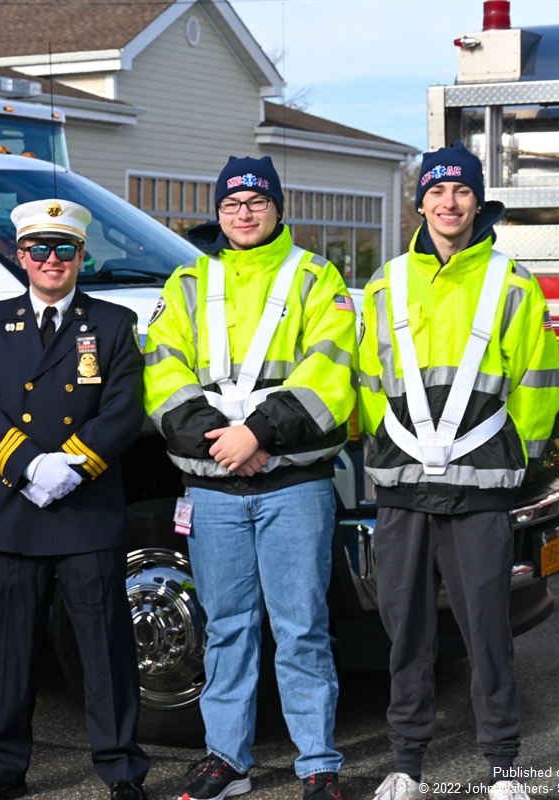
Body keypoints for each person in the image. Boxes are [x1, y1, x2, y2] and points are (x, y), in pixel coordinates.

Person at [142, 157, 357, 800]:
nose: (244, 213)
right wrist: (230, 445)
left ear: (277, 207)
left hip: (294, 486)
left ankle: (318, 764)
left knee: (302, 627)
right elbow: (162, 372)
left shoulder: (317, 279)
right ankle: (226, 761)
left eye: (256, 202)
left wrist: (258, 435)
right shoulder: (185, 283)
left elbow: (331, 370)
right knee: (227, 625)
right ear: (219, 211)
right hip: (214, 490)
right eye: (232, 204)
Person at [359, 143, 559, 800]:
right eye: (438, 192)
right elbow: (368, 383)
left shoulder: (514, 283)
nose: (449, 203)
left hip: (480, 493)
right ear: (420, 202)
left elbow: (537, 386)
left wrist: (512, 460)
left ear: (479, 202)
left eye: (463, 192)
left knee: (488, 632)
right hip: (405, 490)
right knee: (405, 633)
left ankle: (503, 769)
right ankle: (406, 766)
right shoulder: (385, 285)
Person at [0, 199, 149, 800]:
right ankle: (2, 768)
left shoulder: (113, 324)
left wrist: (75, 464)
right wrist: (29, 464)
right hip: (17, 507)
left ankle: (121, 771)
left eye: (65, 249)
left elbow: (124, 409)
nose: (52, 260)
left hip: (86, 510)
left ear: (81, 256)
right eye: (39, 249)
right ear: (20, 256)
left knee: (105, 647)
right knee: (11, 649)